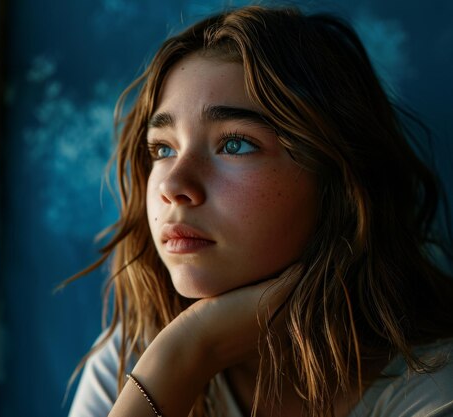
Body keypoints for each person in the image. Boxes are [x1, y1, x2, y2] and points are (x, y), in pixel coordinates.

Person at [66, 5, 453, 417]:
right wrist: (182, 359)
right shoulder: (137, 356)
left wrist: (194, 349)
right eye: (163, 148)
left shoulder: (432, 384)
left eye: (235, 144)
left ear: (339, 183)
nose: (174, 187)